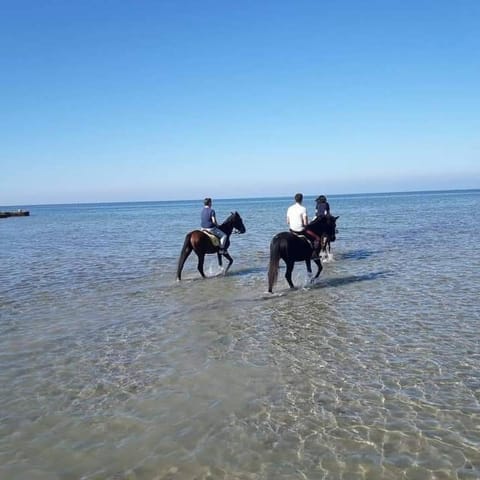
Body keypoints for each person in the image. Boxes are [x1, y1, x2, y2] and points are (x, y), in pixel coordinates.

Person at [287, 193, 321, 259]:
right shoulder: (303, 208)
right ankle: (314, 255)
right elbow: (305, 223)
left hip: (291, 229)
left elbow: (288, 222)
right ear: (302, 199)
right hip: (300, 230)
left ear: (295, 199)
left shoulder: (289, 208)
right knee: (317, 238)